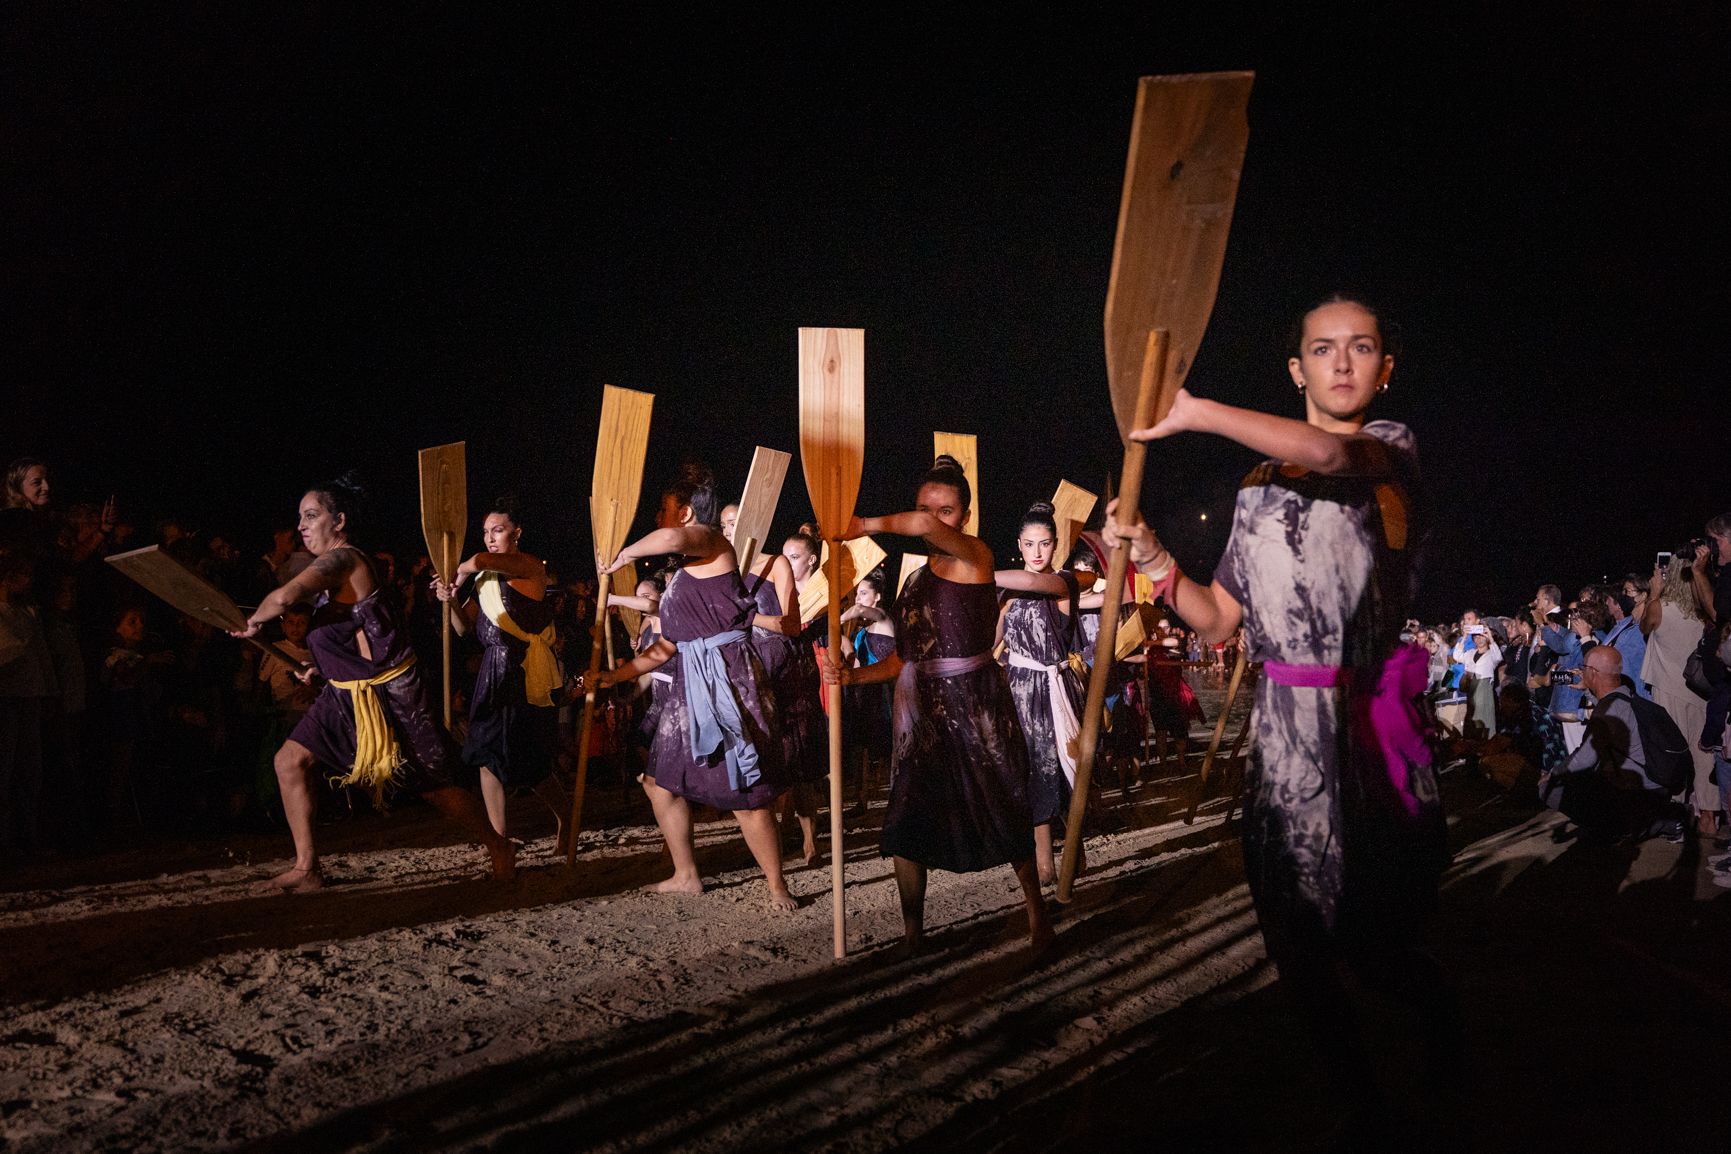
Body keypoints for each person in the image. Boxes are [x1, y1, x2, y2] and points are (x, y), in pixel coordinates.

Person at [1118, 294, 1457, 1130]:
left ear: (1385, 367)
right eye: (1321, 348)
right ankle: (1360, 1107)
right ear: (1295, 368)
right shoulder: (1257, 489)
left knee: (1372, 945)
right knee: (1295, 943)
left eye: (1361, 347)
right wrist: (1158, 561)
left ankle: (1439, 1021)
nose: (1341, 363)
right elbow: (1220, 618)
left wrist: (1192, 411)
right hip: (1282, 741)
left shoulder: (1388, 451)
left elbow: (1323, 450)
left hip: (1364, 734)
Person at [233, 474, 515, 892]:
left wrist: (252, 619)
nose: (303, 526)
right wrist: (320, 669)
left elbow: (285, 597)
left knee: (432, 785)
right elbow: (352, 638)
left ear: (340, 520)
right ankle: (307, 867)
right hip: (344, 694)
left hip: (389, 697)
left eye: (312, 516)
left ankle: (498, 845)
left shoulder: (344, 561)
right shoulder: (333, 575)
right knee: (288, 761)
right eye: (300, 518)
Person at [822, 455, 1053, 955]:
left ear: (965, 517)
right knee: (905, 820)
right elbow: (904, 658)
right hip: (923, 716)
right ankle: (912, 934)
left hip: (976, 707)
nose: (933, 518)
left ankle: (1038, 916)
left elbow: (923, 527)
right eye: (926, 508)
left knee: (1002, 808)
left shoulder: (976, 557)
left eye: (946, 510)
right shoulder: (911, 583)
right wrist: (852, 676)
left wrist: (858, 525)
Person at [582, 463, 796, 910]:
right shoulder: (680, 574)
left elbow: (672, 538)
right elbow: (665, 647)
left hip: (730, 681)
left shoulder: (712, 544)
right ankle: (686, 874)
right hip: (688, 684)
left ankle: (776, 884)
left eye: (663, 509)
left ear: (683, 514)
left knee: (746, 792)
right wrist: (613, 676)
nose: (658, 517)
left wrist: (621, 555)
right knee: (659, 784)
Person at [432, 499, 573, 856]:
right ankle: (499, 837)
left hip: (521, 673)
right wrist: (448, 600)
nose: (490, 538)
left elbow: (478, 559)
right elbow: (463, 629)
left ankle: (567, 819)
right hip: (492, 674)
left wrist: (459, 570)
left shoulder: (529, 567)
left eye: (498, 530)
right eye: (485, 532)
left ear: (517, 533)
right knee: (485, 754)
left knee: (532, 761)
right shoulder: (487, 579)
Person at [995, 500, 1094, 885]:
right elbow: (995, 643)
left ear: (1056, 545)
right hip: (1019, 692)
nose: (1037, 553)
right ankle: (1042, 857)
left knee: (1066, 767)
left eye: (1045, 544)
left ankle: (1074, 843)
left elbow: (1035, 582)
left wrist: (980, 571)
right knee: (1029, 771)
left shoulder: (1062, 582)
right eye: (1030, 544)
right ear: (1019, 545)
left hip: (1056, 689)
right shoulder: (1006, 596)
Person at [724, 510, 823, 866]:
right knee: (767, 757)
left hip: (787, 667)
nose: (728, 530)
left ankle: (811, 840)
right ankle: (774, 840)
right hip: (751, 669)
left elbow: (791, 624)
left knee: (799, 758)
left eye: (735, 522)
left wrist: (747, 617)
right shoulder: (726, 571)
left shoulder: (774, 566)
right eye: (723, 524)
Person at [1540, 647, 1679, 841]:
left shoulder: (1609, 710)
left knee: (1551, 789)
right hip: (1657, 786)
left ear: (1593, 673)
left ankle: (1629, 828)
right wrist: (1589, 690)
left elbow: (1584, 760)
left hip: (1640, 794)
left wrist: (1552, 775)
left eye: (1584, 667)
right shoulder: (1627, 697)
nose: (1581, 671)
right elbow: (1609, 708)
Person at [1639, 555, 1718, 837]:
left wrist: (1654, 592)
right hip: (1700, 690)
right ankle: (1709, 815)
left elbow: (1643, 628)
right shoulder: (1704, 611)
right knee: (1703, 753)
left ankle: (1677, 813)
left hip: (1668, 689)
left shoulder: (1660, 607)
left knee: (1672, 753)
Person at [839, 568, 896, 815]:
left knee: (887, 747)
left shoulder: (883, 617)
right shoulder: (862, 631)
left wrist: (835, 617)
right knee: (860, 748)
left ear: (877, 597)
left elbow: (861, 610)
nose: (858, 599)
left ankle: (893, 798)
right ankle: (861, 800)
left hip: (884, 692)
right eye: (857, 594)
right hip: (864, 691)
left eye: (863, 593)